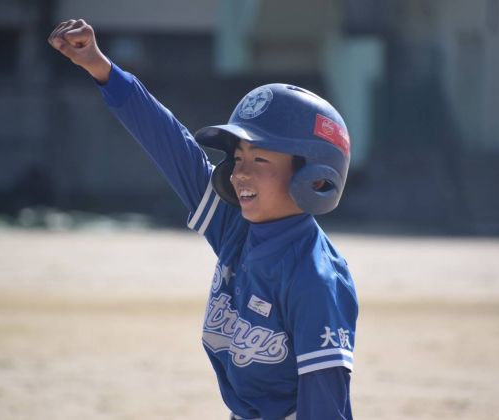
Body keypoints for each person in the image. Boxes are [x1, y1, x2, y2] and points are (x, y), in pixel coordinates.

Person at [48, 19, 358, 420]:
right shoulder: (235, 226)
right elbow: (169, 143)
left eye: (260, 159)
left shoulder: (315, 278)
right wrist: (100, 67)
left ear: (314, 177)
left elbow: (326, 406)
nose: (240, 173)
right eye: (238, 158)